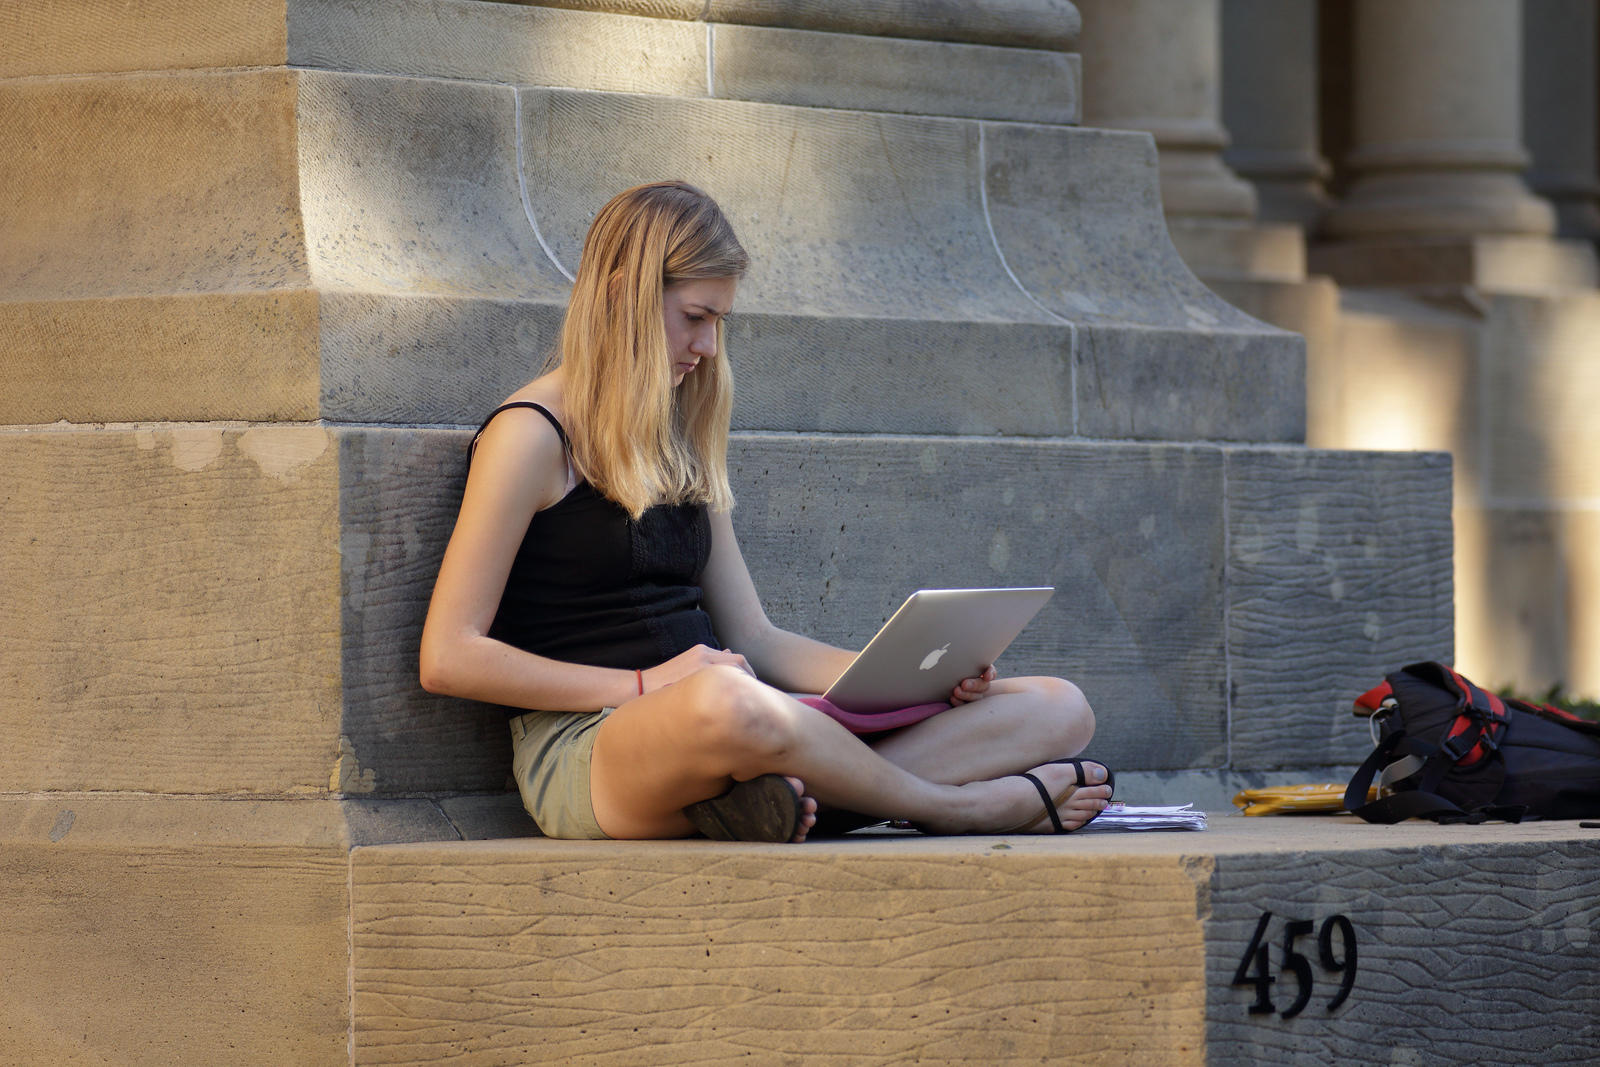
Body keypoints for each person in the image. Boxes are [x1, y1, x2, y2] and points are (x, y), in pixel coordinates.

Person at [419, 181, 1112, 842]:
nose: (708, 348)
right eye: (694, 317)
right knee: (726, 701)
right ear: (623, 294)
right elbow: (448, 657)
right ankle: (955, 807)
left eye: (719, 323)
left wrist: (917, 679)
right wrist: (646, 684)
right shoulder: (529, 435)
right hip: (597, 748)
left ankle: (776, 802)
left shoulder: (679, 435)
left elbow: (758, 639)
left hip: (743, 724)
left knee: (1056, 707)